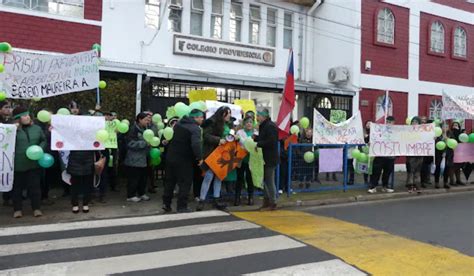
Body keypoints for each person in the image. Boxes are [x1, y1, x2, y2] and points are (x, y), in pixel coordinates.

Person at [162, 109, 204, 213]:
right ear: (196, 117)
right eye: (201, 117)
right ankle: (182, 206)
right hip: (184, 159)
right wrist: (199, 158)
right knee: (185, 183)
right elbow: (196, 144)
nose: (202, 119)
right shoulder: (195, 128)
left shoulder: (179, 124)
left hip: (171, 157)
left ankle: (166, 204)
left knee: (170, 182)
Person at [11, 107, 47, 218]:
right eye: (24, 115)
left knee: (35, 187)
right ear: (18, 118)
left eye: (27, 115)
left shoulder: (36, 128)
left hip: (33, 164)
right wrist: (11, 131)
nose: (27, 117)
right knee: (17, 188)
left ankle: (36, 208)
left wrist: (40, 149)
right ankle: (17, 209)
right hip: (17, 164)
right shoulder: (11, 130)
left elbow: (43, 140)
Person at [196, 106, 231, 211]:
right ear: (222, 114)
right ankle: (202, 200)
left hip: (222, 154)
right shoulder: (211, 122)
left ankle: (216, 199)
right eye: (227, 113)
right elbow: (206, 136)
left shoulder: (226, 124)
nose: (229, 115)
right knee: (209, 176)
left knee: (218, 177)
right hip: (212, 153)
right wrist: (218, 140)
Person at [124, 113, 151, 202]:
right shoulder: (133, 130)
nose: (148, 121)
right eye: (146, 120)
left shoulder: (146, 129)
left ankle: (141, 193)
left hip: (143, 158)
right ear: (140, 119)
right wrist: (144, 143)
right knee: (134, 178)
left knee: (143, 178)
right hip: (134, 159)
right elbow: (130, 144)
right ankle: (131, 195)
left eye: (148, 120)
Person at [255, 107, 279, 211]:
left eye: (258, 115)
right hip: (264, 157)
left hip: (270, 157)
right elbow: (264, 139)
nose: (257, 117)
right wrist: (256, 138)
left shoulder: (270, 126)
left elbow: (271, 141)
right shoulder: (264, 126)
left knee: (269, 180)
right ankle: (266, 200)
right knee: (263, 180)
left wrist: (258, 143)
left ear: (264, 116)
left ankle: (272, 202)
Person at [368, 116, 396, 194]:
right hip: (380, 154)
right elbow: (374, 138)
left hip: (390, 156)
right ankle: (373, 186)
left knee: (387, 172)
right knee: (376, 171)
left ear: (394, 123)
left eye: (390, 122)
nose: (389, 123)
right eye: (387, 122)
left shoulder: (396, 132)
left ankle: (385, 186)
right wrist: (371, 142)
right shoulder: (380, 130)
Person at [235, 117, 256, 206]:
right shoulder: (240, 132)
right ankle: (237, 198)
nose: (249, 124)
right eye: (247, 122)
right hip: (241, 159)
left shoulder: (255, 133)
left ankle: (250, 198)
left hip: (251, 160)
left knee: (249, 179)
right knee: (239, 179)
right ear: (244, 124)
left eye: (251, 122)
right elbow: (238, 143)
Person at [406, 117, 423, 193]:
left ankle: (416, 185)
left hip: (419, 153)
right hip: (411, 153)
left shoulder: (423, 132)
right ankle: (410, 185)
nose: (414, 123)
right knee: (410, 170)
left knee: (417, 170)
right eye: (413, 121)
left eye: (416, 122)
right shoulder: (408, 131)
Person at [1, 100, 13, 206]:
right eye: (6, 107)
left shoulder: (13, 120)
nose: (9, 109)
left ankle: (8, 196)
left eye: (9, 107)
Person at [450, 121, 466, 186]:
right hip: (452, 151)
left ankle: (458, 180)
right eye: (454, 125)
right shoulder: (451, 132)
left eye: (456, 125)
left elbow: (462, 140)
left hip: (459, 151)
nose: (455, 126)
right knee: (452, 167)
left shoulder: (460, 133)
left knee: (458, 166)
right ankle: (452, 181)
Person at [420, 117, 433, 187]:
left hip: (428, 151)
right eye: (422, 120)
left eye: (424, 120)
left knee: (428, 166)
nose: (423, 122)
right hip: (421, 150)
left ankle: (427, 179)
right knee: (423, 167)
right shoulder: (418, 128)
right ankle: (422, 181)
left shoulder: (430, 130)